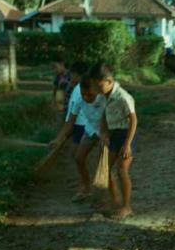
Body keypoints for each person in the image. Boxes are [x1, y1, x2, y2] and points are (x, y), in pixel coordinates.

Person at [89, 62, 138, 220]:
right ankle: (115, 201)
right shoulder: (104, 96)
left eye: (99, 85)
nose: (97, 89)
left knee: (122, 170)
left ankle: (127, 206)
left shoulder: (123, 96)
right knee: (106, 170)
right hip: (113, 134)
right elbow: (103, 116)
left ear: (109, 81)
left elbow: (134, 120)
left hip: (126, 134)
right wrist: (103, 133)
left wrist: (127, 144)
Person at [49, 74, 107, 202]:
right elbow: (70, 121)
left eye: (89, 95)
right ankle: (86, 188)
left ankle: (106, 198)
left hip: (107, 131)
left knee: (105, 164)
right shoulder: (80, 98)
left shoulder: (105, 98)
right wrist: (58, 139)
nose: (86, 98)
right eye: (83, 95)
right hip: (91, 130)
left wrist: (105, 135)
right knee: (79, 157)